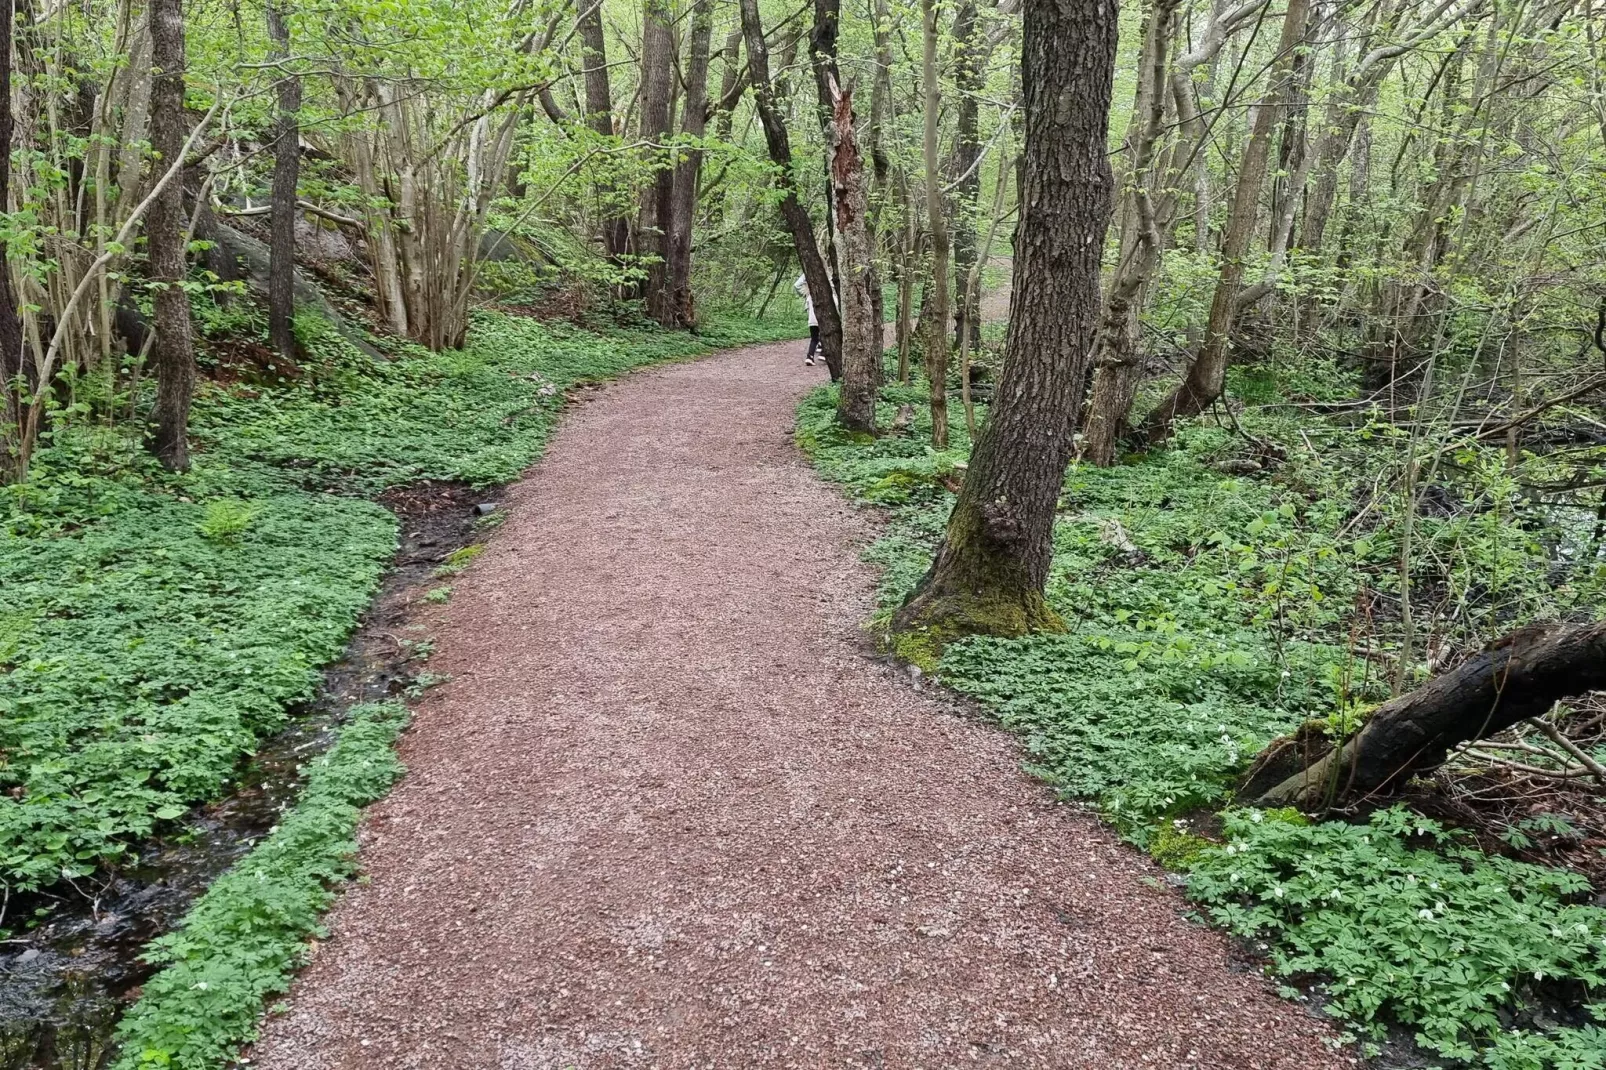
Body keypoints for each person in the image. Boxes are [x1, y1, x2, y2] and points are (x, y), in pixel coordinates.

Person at [794, 273, 820, 366]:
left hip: (811, 321)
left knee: (814, 339)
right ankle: (823, 353)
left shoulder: (809, 297)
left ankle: (810, 357)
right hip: (820, 320)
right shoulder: (826, 296)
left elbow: (797, 285)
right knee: (825, 335)